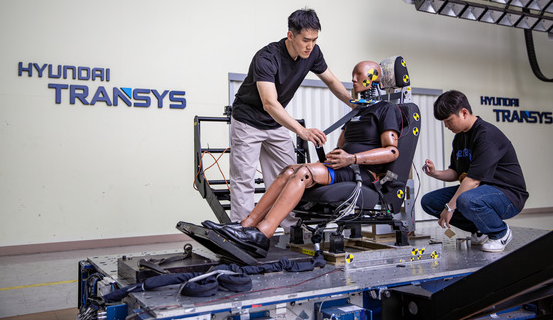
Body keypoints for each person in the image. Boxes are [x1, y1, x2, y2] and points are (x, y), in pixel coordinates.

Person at [206, 60, 402, 257]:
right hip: (344, 166)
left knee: (302, 173)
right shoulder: (356, 112)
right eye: (353, 74)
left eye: (359, 75)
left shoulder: (386, 109)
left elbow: (392, 152)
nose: (353, 79)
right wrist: (330, 154)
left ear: (374, 79)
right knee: (289, 170)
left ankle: (263, 233)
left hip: (362, 172)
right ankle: (246, 225)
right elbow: (340, 147)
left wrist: (352, 158)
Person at [229, 8, 354, 229]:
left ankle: (291, 230)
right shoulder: (266, 57)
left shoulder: (313, 54)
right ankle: (242, 232)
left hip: (274, 123)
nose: (310, 46)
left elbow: (332, 82)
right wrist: (301, 131)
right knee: (244, 180)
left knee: (289, 176)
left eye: (314, 40)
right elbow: (269, 103)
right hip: (248, 121)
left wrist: (354, 104)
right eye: (305, 40)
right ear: (290, 35)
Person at [420, 90, 528, 253]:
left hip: (508, 195)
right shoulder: (460, 137)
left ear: (464, 113)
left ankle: (500, 233)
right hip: (478, 193)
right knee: (429, 201)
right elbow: (456, 173)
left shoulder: (487, 135)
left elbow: (473, 181)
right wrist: (435, 173)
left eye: (448, 120)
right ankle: (479, 229)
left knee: (465, 200)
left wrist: (450, 208)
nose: (446, 126)